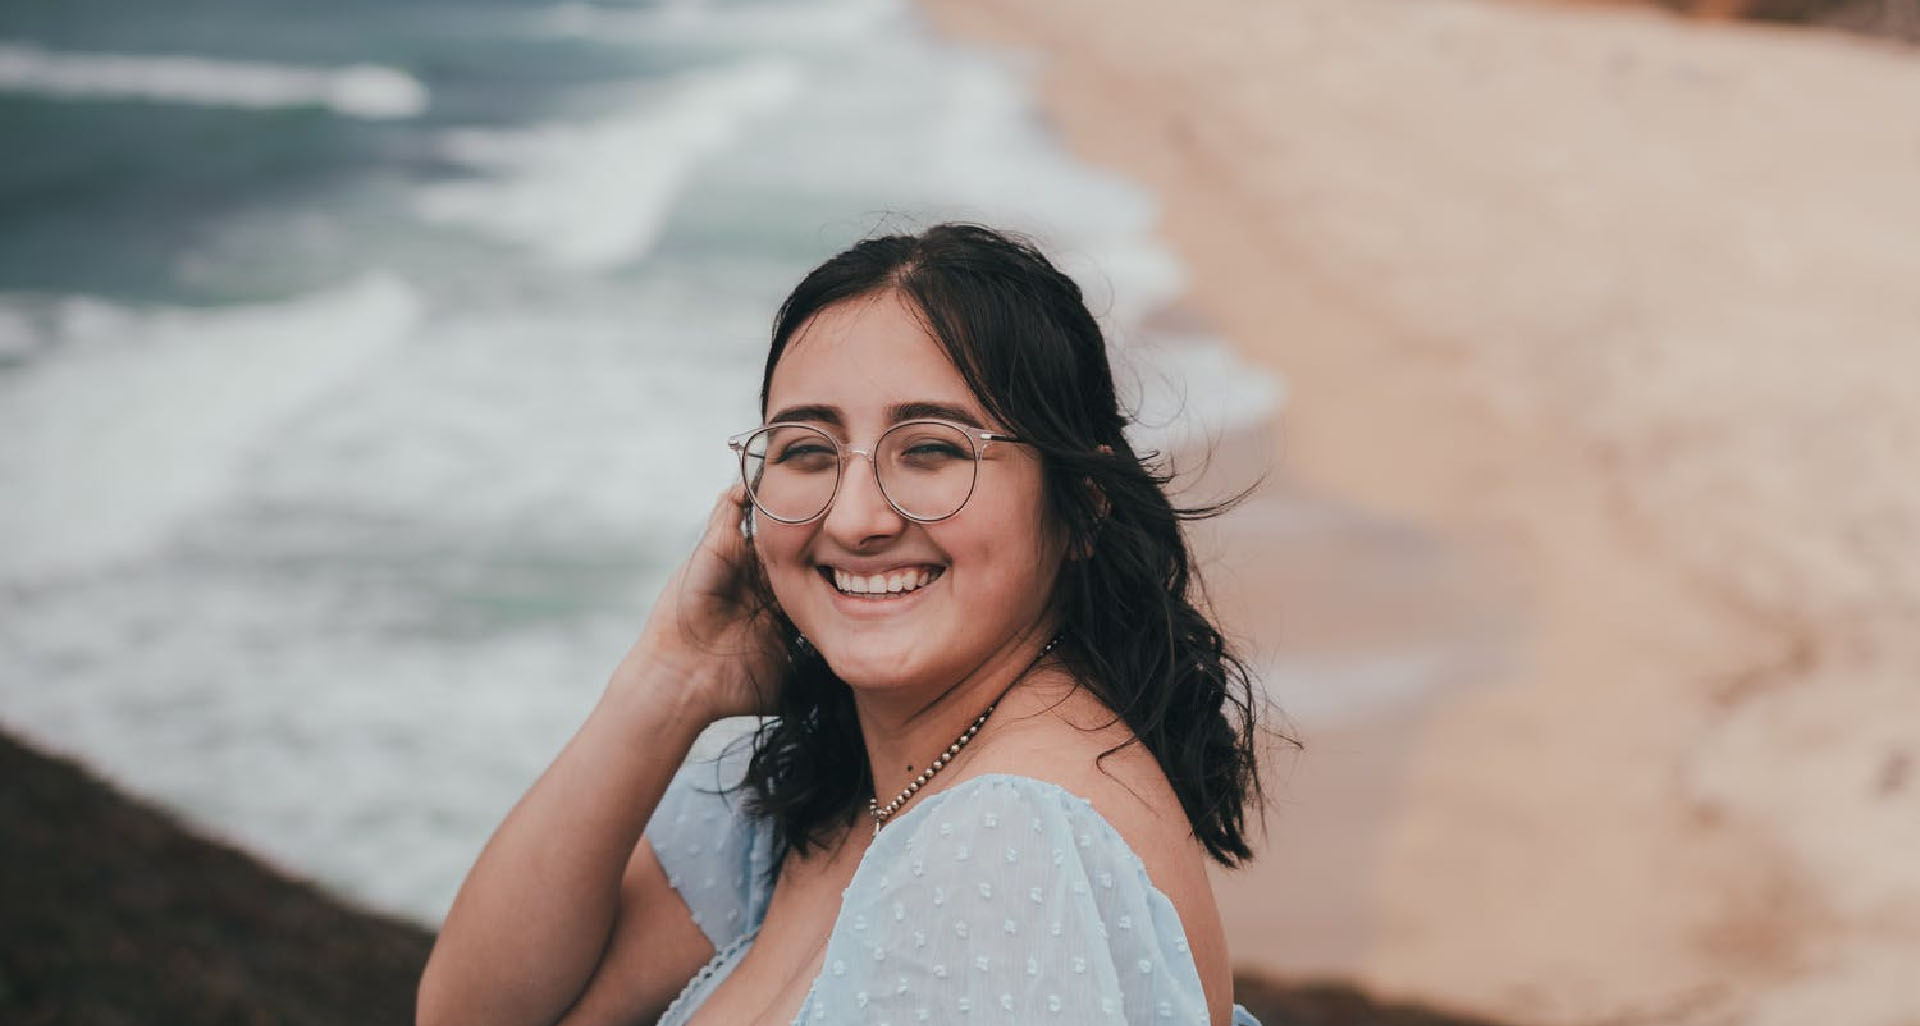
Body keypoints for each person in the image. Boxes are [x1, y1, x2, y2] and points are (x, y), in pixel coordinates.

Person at [417, 224, 1268, 1026]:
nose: (856, 517)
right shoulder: (841, 792)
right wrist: (665, 684)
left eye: (932, 449)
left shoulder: (1007, 841)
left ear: (1082, 507)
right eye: (808, 451)